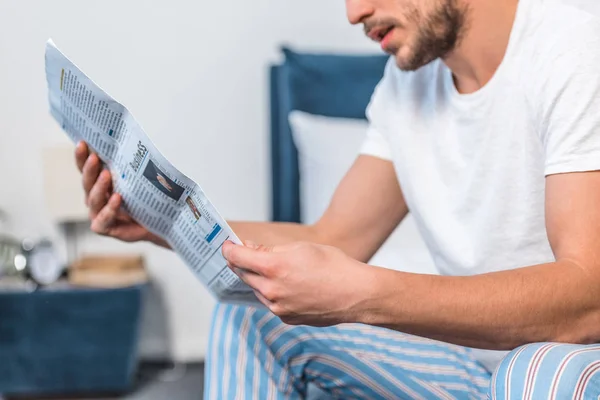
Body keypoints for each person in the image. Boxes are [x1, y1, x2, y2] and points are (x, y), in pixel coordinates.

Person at [74, 0, 600, 398]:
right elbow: (333, 240)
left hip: (573, 364)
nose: (354, 12)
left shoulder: (574, 46)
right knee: (251, 317)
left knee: (537, 369)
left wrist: (366, 294)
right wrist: (161, 221)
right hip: (473, 366)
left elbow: (587, 300)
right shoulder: (408, 85)